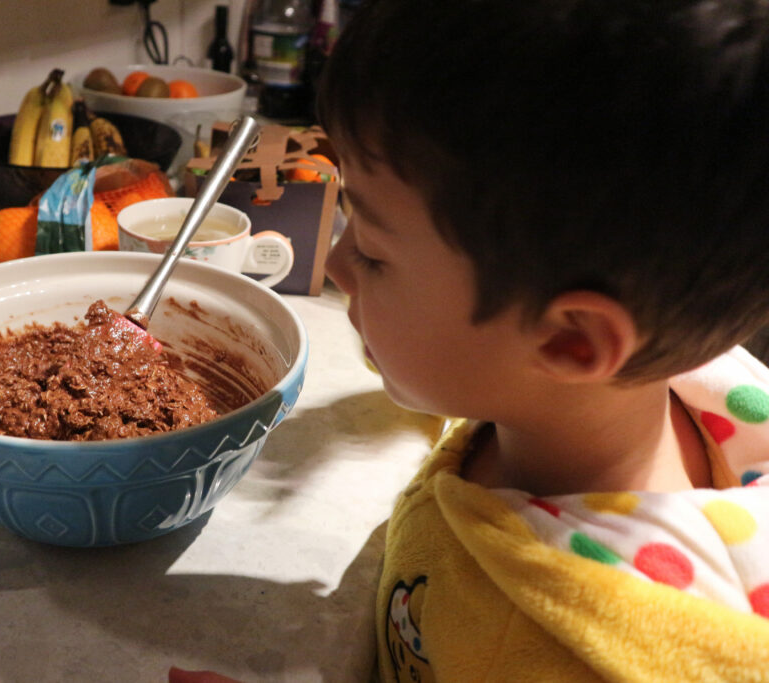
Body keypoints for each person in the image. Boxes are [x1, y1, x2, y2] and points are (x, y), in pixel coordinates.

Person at [174, 0, 769, 680]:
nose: (336, 266)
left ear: (571, 343)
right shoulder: (625, 388)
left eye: (371, 250)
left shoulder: (558, 648)